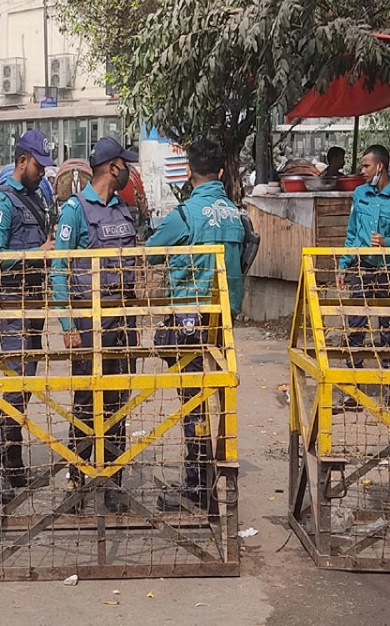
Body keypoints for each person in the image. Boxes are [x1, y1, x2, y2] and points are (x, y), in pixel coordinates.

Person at [145, 139, 245, 512]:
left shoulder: (184, 216)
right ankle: (212, 477)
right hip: (224, 321)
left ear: (188, 173)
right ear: (221, 172)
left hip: (188, 318)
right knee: (219, 398)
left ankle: (197, 486)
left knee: (193, 402)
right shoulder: (236, 214)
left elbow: (152, 253)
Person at [51, 137, 139, 514]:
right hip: (88, 322)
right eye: (127, 165)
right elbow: (59, 269)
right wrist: (67, 323)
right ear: (112, 167)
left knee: (118, 402)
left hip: (122, 319)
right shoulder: (74, 211)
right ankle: (78, 478)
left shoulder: (124, 209)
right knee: (87, 402)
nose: (131, 172)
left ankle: (113, 481)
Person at [0, 129, 54, 503]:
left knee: (26, 381)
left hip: (34, 301)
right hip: (11, 303)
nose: (42, 173)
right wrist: (35, 254)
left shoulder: (38, 196)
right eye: (38, 166)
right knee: (15, 380)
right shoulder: (1, 203)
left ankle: (12, 460)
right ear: (22, 161)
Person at [335, 144, 390, 390]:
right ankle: (353, 388)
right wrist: (343, 266)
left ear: (380, 167)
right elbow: (352, 233)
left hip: (389, 272)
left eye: (366, 165)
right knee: (355, 327)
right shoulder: (360, 194)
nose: (361, 170)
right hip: (361, 269)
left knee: (389, 329)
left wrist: (388, 242)